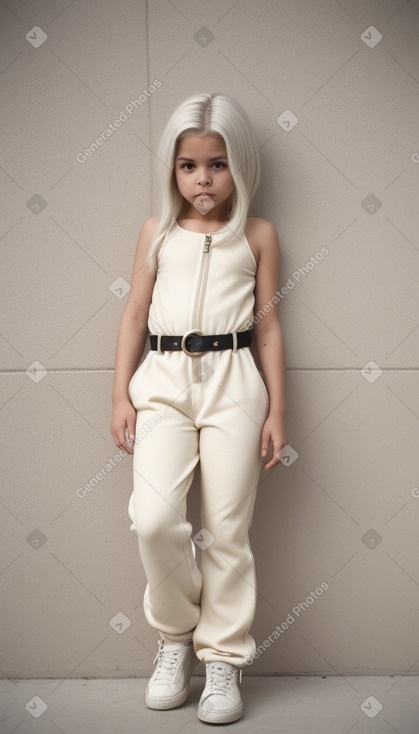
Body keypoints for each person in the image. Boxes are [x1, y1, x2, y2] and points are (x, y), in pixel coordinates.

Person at [110, 92, 287, 725]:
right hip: (160, 382)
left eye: (216, 164)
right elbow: (133, 312)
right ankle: (175, 638)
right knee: (155, 520)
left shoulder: (258, 234)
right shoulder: (155, 232)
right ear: (173, 169)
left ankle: (222, 662)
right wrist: (119, 395)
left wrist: (277, 412)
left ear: (238, 166)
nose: (203, 179)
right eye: (189, 165)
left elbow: (267, 328)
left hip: (237, 383)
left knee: (229, 531)